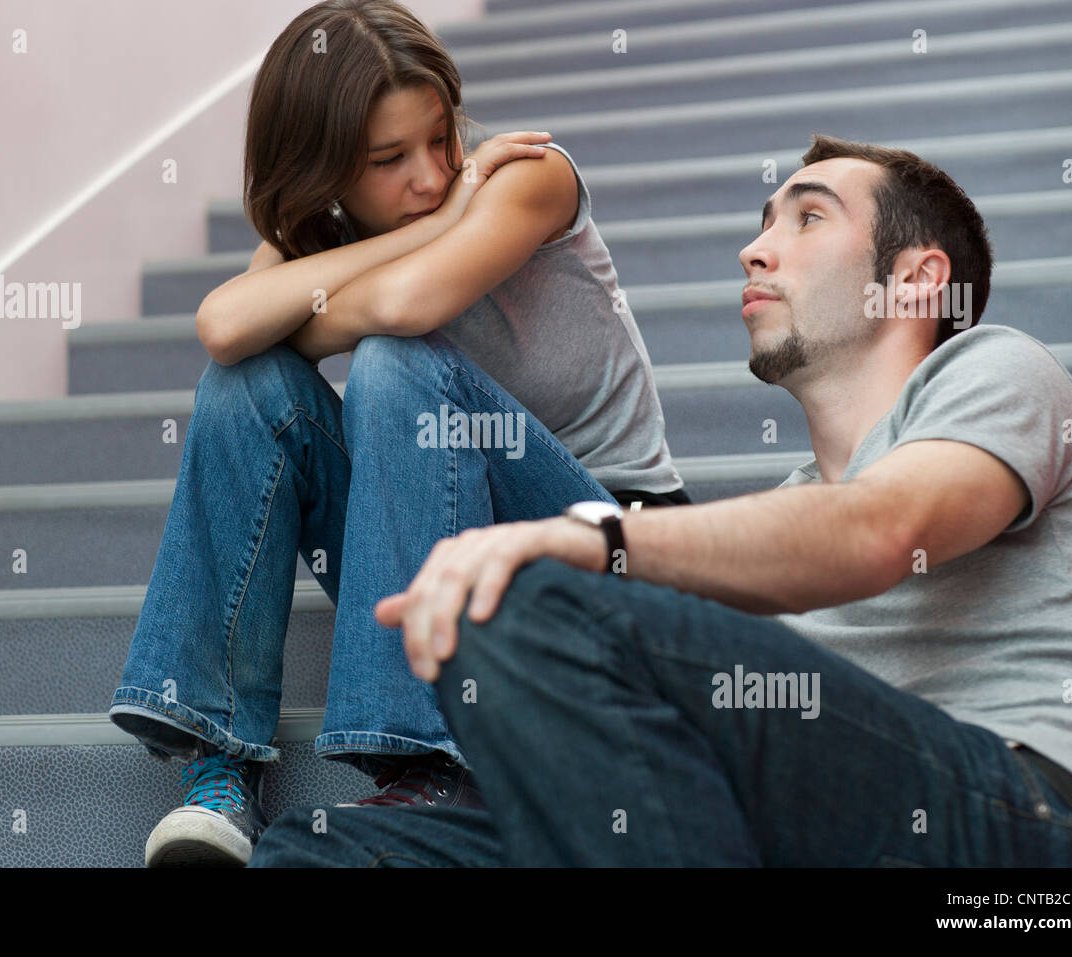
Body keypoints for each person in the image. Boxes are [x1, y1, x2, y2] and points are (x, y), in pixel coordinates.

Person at [251, 133, 1072, 867]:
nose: (755, 248)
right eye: (763, 222)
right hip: (778, 820)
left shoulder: (998, 369)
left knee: (540, 603)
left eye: (809, 217)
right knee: (314, 853)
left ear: (918, 278)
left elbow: (887, 526)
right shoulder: (785, 506)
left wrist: (600, 541)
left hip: (1008, 824)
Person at [107, 0, 688, 867]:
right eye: (388, 160)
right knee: (250, 385)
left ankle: (429, 762)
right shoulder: (348, 226)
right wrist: (414, 233)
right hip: (451, 546)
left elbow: (408, 306)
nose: (429, 175)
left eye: (440, 138)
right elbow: (226, 327)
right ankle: (220, 764)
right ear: (328, 172)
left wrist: (436, 227)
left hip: (607, 548)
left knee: (391, 361)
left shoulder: (528, 175)